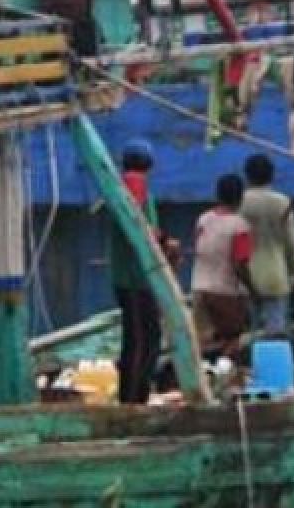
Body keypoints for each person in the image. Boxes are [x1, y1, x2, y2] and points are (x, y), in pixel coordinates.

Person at [107, 138, 174, 404]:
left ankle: (136, 396)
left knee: (142, 340)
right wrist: (163, 240)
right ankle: (133, 400)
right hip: (135, 279)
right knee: (141, 342)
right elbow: (138, 226)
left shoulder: (121, 186)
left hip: (132, 277)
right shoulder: (134, 183)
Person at [192, 174, 256, 358]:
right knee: (232, 341)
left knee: (202, 342)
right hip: (226, 292)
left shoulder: (203, 219)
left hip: (199, 287)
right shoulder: (240, 226)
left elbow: (199, 247)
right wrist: (253, 289)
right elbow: (240, 264)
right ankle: (224, 375)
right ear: (240, 197)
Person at [240, 154, 294, 335]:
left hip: (245, 277)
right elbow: (292, 244)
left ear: (247, 175)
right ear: (272, 175)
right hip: (276, 276)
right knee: (276, 336)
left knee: (250, 337)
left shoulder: (239, 203)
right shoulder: (282, 203)